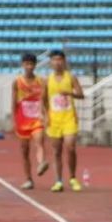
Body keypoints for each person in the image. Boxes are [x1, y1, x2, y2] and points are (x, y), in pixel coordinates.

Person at [44, 50, 85, 192]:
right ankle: (58, 181)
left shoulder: (71, 78)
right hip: (54, 120)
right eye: (54, 60)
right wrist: (45, 115)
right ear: (50, 63)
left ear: (64, 61)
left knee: (70, 147)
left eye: (60, 59)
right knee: (57, 151)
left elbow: (81, 95)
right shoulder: (47, 80)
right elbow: (43, 99)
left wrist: (70, 93)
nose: (57, 62)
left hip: (69, 118)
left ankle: (73, 177)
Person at [11, 53, 49, 190]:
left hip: (36, 118)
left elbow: (45, 100)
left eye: (31, 64)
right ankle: (28, 179)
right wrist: (13, 119)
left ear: (35, 65)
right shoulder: (17, 82)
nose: (29, 67)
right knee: (24, 150)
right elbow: (14, 101)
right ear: (22, 65)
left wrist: (47, 114)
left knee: (39, 140)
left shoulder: (41, 81)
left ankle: (41, 163)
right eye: (26, 64)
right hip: (22, 118)